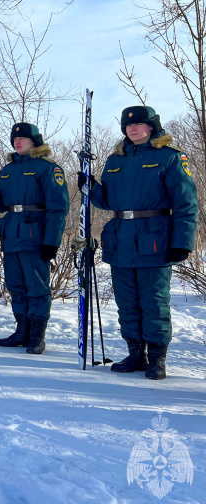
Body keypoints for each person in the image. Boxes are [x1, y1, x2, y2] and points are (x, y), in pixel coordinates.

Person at [81, 106, 197, 380]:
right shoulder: (114, 160)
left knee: (154, 301)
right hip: (120, 241)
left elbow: (186, 203)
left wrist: (183, 242)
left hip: (154, 240)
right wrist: (90, 187)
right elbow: (108, 201)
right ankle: (135, 354)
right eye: (128, 126)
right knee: (127, 302)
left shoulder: (170, 158)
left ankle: (157, 358)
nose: (132, 129)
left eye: (140, 124)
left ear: (152, 127)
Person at [0, 123, 70, 354]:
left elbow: (58, 208)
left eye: (23, 139)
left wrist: (52, 241)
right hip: (11, 235)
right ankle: (22, 330)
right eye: (15, 140)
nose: (18, 142)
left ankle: (37, 335)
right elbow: (0, 204)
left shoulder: (47, 168)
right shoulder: (7, 170)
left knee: (36, 287)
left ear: (34, 142)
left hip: (35, 235)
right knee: (16, 285)